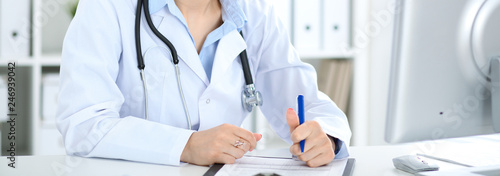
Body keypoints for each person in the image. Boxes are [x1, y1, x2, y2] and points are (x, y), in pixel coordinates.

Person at [57, 0, 351, 167]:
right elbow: (83, 124)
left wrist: (326, 137)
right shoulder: (108, 6)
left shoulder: (254, 12)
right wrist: (186, 146)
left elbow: (305, 100)